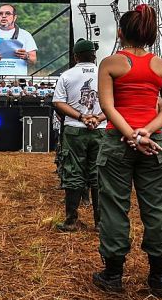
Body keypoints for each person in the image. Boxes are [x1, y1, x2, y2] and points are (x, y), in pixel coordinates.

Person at [94, 5, 162, 297]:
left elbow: (108, 107)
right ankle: (158, 279)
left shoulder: (110, 64)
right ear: (151, 36)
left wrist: (131, 134)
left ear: (120, 33)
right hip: (154, 142)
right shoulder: (161, 66)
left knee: (115, 208)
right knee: (156, 210)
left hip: (118, 141)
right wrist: (147, 131)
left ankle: (113, 275)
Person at [52, 39, 106, 232]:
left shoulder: (67, 75)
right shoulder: (105, 74)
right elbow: (114, 104)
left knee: (73, 173)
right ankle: (100, 223)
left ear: (75, 57)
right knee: (98, 175)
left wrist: (82, 117)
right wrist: (98, 118)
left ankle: (71, 221)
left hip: (75, 128)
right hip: (100, 129)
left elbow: (58, 103)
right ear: (94, 55)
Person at [0, 4, 37, 75]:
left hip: (17, 79)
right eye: (0, 14)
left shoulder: (26, 35)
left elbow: (33, 60)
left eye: (8, 13)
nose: (4, 16)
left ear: (15, 17)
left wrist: (26, 56)